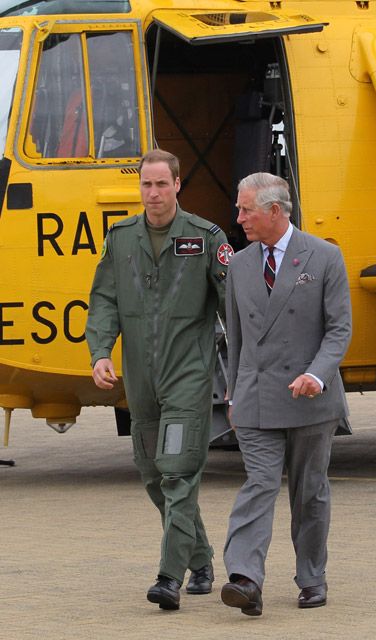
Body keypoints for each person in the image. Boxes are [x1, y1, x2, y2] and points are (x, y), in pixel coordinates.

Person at [86, 149, 232, 611]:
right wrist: (99, 352)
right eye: (146, 185)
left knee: (178, 470)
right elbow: (104, 299)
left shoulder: (206, 237)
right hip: (140, 379)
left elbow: (234, 303)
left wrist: (252, 367)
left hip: (187, 375)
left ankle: (169, 577)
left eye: (161, 184)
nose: (153, 193)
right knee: (152, 474)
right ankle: (202, 559)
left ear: (177, 185)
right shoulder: (121, 237)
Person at [221, 172, 352, 616]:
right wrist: (234, 394)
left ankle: (312, 576)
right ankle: (245, 578)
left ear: (275, 210)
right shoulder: (238, 265)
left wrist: (317, 374)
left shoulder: (325, 256)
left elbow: (339, 329)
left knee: (309, 491)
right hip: (256, 398)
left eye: (246, 210)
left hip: (311, 400)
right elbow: (235, 339)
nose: (239, 219)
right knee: (258, 485)